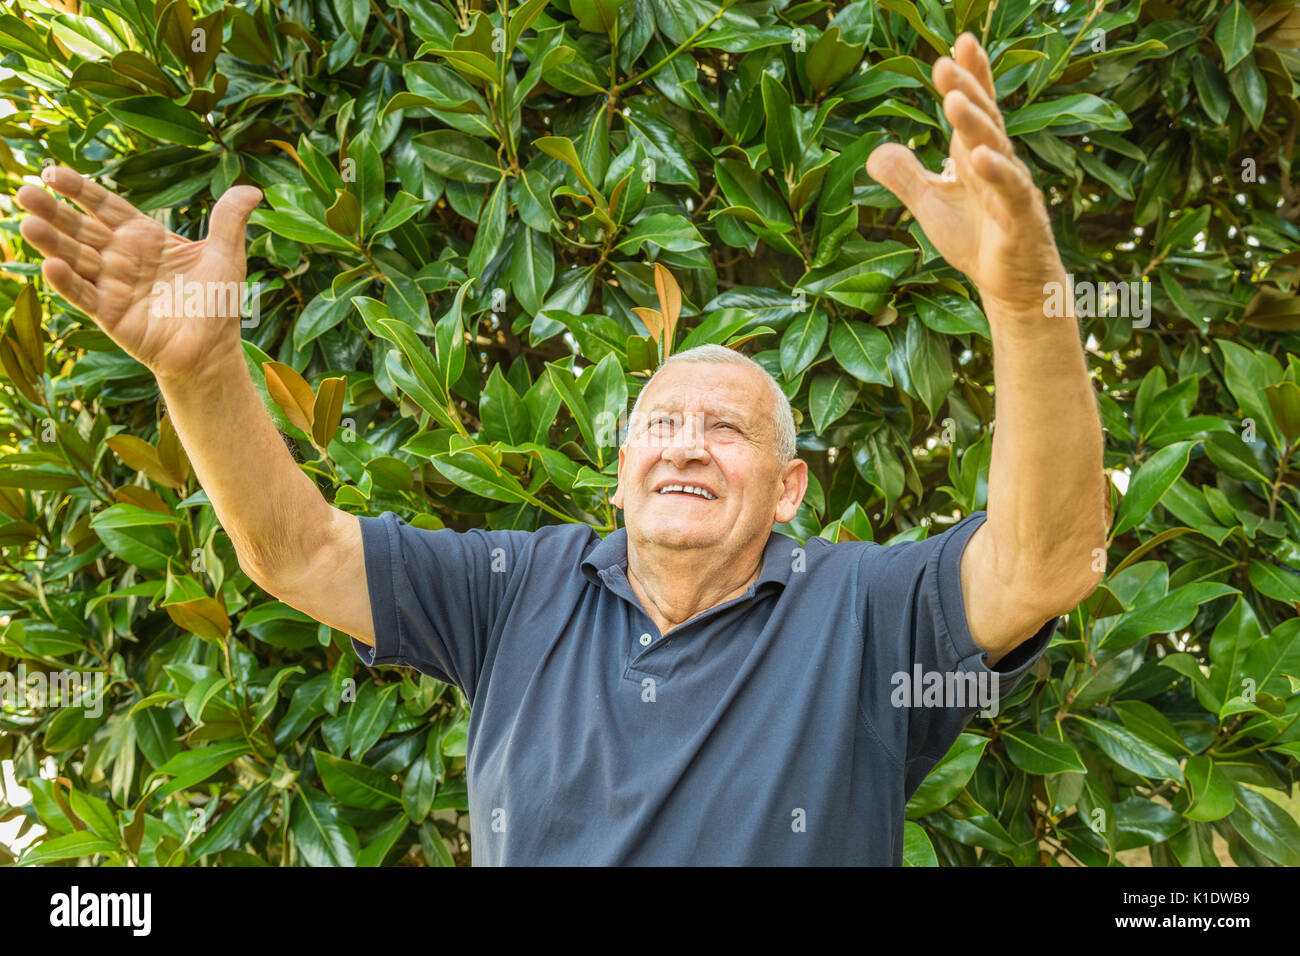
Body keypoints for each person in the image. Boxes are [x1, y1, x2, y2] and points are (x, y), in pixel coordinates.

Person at [14, 33, 1106, 864]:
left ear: (787, 490)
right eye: (660, 423)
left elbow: (1047, 560)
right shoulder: (515, 590)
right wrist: (200, 374)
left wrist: (1025, 302)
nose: (685, 446)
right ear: (621, 464)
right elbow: (293, 553)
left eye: (725, 429)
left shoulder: (867, 611)